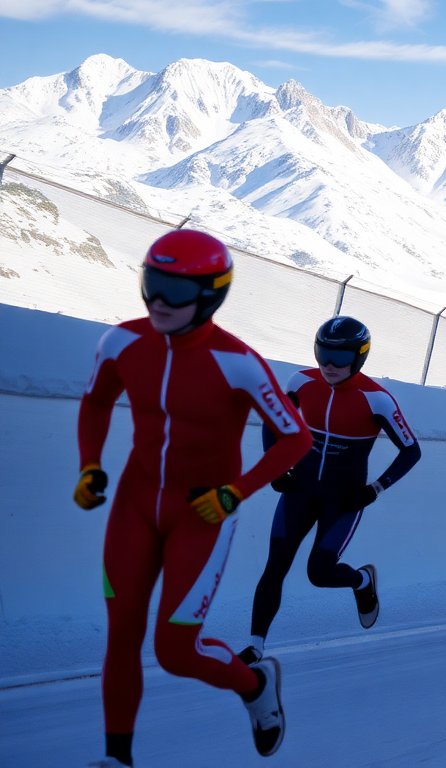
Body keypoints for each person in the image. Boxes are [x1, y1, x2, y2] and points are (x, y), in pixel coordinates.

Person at [75, 230, 313, 766]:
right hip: (135, 504)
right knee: (122, 635)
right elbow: (94, 403)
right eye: (152, 284)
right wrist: (90, 465)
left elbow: (297, 437)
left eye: (176, 293)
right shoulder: (120, 342)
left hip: (202, 513)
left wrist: (236, 492)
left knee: (175, 651)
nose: (158, 302)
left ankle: (254, 684)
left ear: (211, 295)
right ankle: (118, 758)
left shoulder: (239, 363)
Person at [241, 317, 422, 664]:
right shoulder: (302, 381)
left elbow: (411, 450)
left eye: (340, 358)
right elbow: (271, 419)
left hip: (344, 500)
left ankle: (361, 581)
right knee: (275, 565)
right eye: (323, 353)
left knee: (319, 573)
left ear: (360, 357)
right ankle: (255, 645)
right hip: (299, 491)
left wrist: (375, 490)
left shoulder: (377, 400)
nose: (328, 365)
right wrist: (278, 466)